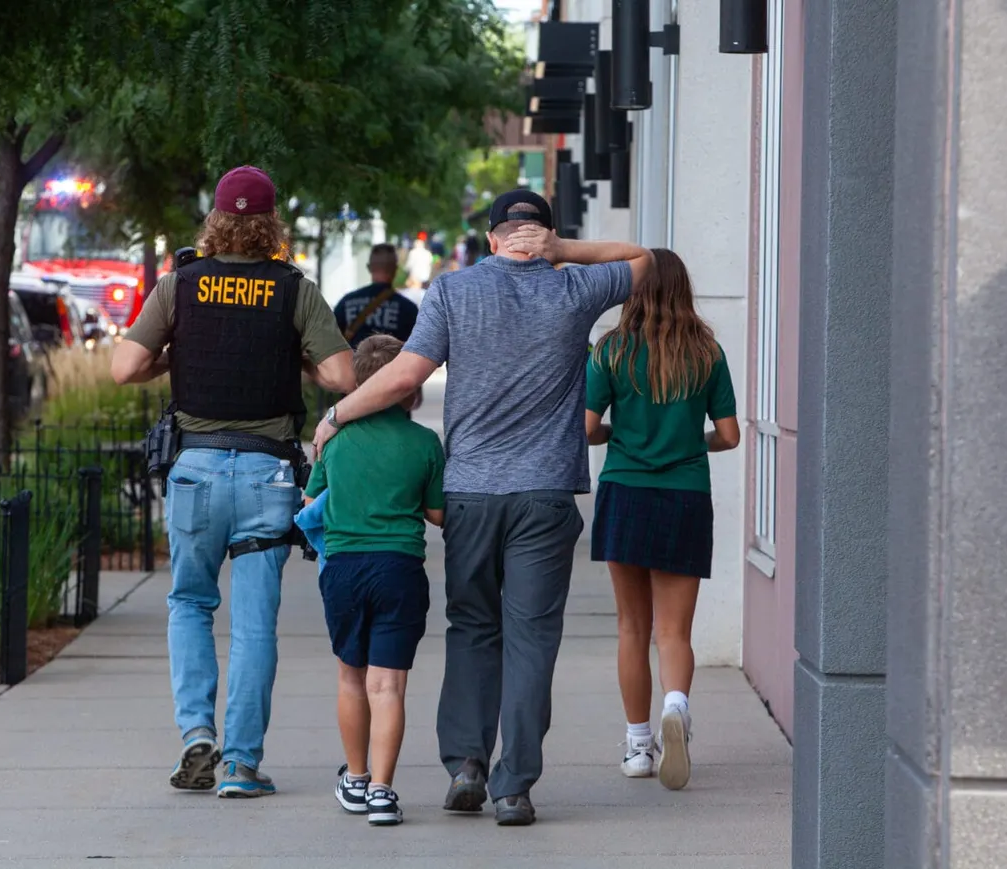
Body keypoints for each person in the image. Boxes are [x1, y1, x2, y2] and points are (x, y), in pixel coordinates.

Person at [311, 189, 653, 826]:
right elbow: (646, 259)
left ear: (492, 237)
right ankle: (514, 786)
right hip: (544, 497)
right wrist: (564, 252)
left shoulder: (452, 291)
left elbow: (406, 375)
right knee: (532, 639)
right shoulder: (574, 289)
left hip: (470, 494)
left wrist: (337, 413)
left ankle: (467, 762)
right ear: (543, 238)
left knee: (472, 628)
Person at [111, 165, 356, 798]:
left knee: (190, 603)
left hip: (194, 472)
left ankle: (196, 735)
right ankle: (241, 765)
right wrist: (293, 355)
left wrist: (177, 354)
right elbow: (342, 376)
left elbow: (124, 366)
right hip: (268, 473)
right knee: (253, 626)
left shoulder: (180, 285)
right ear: (272, 224)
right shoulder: (293, 289)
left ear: (216, 220)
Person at [584, 248, 740, 790]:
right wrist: (687, 444)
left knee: (632, 627)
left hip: (625, 490)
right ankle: (678, 707)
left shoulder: (611, 351)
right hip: (685, 495)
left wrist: (615, 436)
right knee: (675, 632)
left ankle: (637, 746)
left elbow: (585, 428)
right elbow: (729, 436)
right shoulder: (706, 352)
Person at [302, 334, 446, 827]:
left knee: (351, 675)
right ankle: (383, 792)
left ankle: (356, 778)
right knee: (389, 686)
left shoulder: (333, 438)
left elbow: (310, 503)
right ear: (409, 389)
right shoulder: (425, 443)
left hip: (344, 569)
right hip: (399, 569)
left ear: (359, 385)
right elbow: (438, 513)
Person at [333, 244, 420, 348]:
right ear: (395, 269)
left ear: (369, 268)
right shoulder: (409, 310)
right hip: (396, 364)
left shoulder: (346, 303)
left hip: (352, 363)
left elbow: (330, 344)